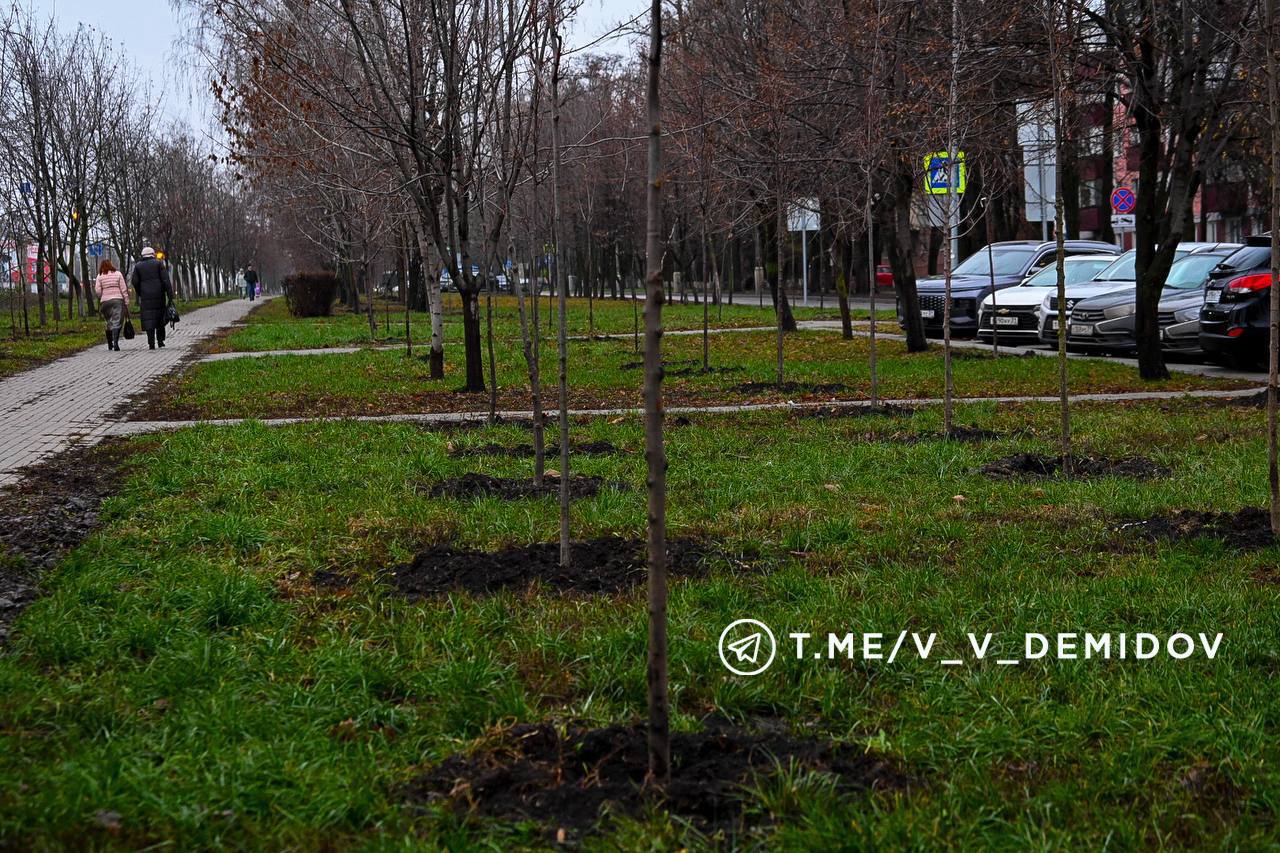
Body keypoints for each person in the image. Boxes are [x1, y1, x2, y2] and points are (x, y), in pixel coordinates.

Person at [129, 246, 174, 350]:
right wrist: (169, 294)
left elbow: (134, 281)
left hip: (145, 296)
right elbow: (165, 280)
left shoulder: (138, 266)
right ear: (153, 254)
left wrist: (140, 291)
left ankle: (151, 343)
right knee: (159, 318)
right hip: (159, 295)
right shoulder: (158, 263)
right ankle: (160, 341)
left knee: (149, 319)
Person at [94, 259, 129, 351]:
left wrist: (102, 296)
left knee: (109, 322)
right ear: (111, 265)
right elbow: (123, 289)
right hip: (118, 301)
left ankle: (110, 344)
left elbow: (97, 291)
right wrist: (126, 301)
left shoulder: (100, 276)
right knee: (117, 322)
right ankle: (116, 343)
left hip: (105, 302)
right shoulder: (118, 274)